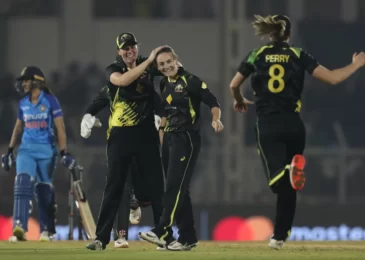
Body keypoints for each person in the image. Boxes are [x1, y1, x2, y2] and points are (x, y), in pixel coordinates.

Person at [229, 14, 365, 250]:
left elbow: (234, 84)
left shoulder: (256, 55)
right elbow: (332, 78)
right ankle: (279, 236)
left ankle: (289, 177)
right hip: (294, 125)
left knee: (276, 182)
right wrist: (356, 65)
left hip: (268, 124)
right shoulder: (299, 55)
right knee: (290, 186)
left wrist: (239, 100)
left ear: (270, 34)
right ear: (288, 35)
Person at [85, 32, 173, 250]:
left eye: (132, 46)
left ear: (137, 47)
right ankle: (100, 239)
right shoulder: (112, 70)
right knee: (114, 186)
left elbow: (169, 68)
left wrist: (168, 60)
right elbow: (123, 81)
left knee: (155, 187)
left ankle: (165, 236)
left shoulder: (147, 65)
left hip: (145, 134)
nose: (129, 50)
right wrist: (149, 62)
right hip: (120, 136)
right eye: (125, 47)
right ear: (119, 52)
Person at [138, 46, 224, 251]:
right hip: (169, 139)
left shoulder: (191, 81)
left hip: (187, 138)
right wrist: (162, 137)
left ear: (177, 60)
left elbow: (213, 102)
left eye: (169, 61)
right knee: (179, 189)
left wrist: (216, 119)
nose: (166, 66)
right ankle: (188, 237)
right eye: (162, 64)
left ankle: (162, 230)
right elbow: (166, 113)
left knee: (174, 187)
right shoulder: (163, 83)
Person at [80, 85, 162, 249]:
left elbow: (160, 105)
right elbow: (98, 102)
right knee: (121, 188)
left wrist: (158, 117)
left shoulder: (145, 87)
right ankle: (119, 236)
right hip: (119, 144)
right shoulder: (113, 87)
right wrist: (88, 115)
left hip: (143, 145)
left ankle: (141, 206)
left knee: (148, 189)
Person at [1, 66, 77, 242]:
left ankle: (47, 229)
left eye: (27, 80)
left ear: (37, 81)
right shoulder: (23, 103)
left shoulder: (51, 101)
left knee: (44, 190)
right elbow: (18, 127)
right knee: (22, 183)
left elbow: (60, 128)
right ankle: (19, 227)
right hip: (26, 149)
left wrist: (64, 152)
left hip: (46, 150)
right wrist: (10, 150)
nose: (24, 84)